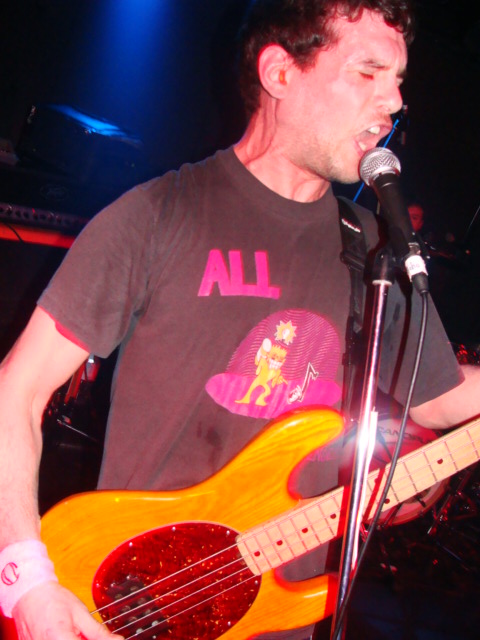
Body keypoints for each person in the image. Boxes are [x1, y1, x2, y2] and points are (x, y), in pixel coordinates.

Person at [1, 1, 480, 639]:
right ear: (280, 72)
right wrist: (26, 581)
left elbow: (441, 400)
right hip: (133, 596)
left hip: (278, 612)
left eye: (397, 81)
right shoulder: (158, 213)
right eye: (368, 73)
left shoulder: (370, 244)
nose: (392, 102)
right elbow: (17, 391)